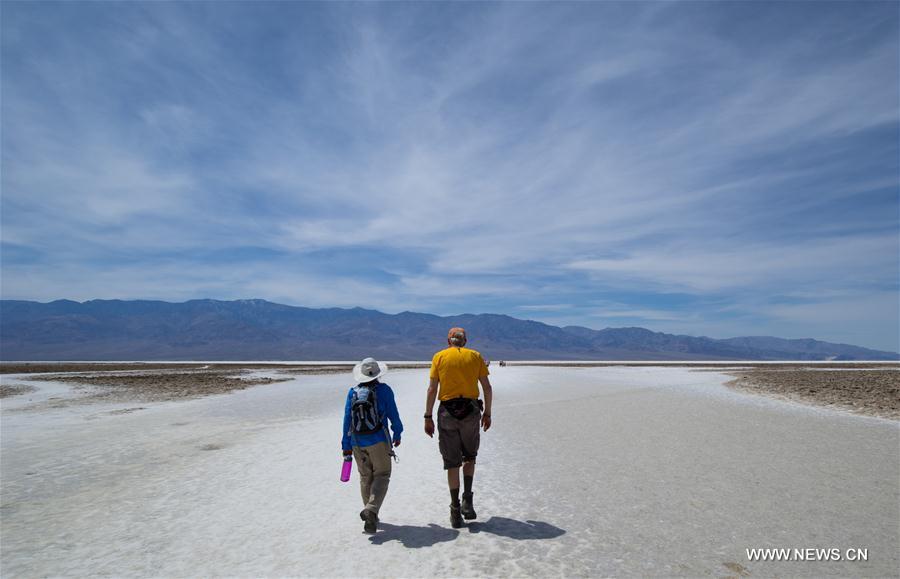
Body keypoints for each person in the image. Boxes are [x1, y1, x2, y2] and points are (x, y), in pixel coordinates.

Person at [424, 327, 493, 528]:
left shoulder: (439, 357)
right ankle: (467, 500)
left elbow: (432, 389)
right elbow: (487, 387)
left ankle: (455, 510)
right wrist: (487, 413)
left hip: (447, 412)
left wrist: (428, 416)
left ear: (448, 341)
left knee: (452, 462)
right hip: (470, 411)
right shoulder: (475, 356)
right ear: (465, 340)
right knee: (469, 456)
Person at [342, 357, 403, 534]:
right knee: (382, 474)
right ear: (377, 374)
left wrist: (346, 445)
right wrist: (397, 433)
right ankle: (371, 510)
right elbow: (393, 414)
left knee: (365, 477)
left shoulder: (352, 393)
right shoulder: (384, 391)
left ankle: (371, 518)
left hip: (356, 442)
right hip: (378, 440)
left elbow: (347, 420)